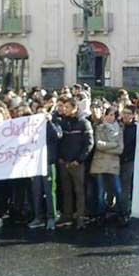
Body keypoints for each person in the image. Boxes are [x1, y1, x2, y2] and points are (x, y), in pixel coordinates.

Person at [57, 97, 94, 229]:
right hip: (64, 163)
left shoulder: (84, 123)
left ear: (74, 108)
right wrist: (60, 157)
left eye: (67, 107)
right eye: (63, 107)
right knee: (66, 190)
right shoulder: (62, 123)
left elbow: (89, 144)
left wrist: (79, 160)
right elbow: (58, 142)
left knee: (79, 191)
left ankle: (80, 217)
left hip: (77, 164)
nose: (64, 109)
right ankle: (67, 215)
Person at [90, 107, 124, 222]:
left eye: (112, 115)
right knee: (101, 192)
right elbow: (98, 145)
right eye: (108, 114)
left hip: (113, 164)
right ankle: (101, 214)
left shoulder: (119, 129)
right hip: (99, 163)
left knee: (118, 190)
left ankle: (121, 213)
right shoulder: (99, 128)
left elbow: (120, 149)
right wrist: (113, 144)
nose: (110, 117)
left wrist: (107, 146)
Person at [118, 106, 138, 226]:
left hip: (129, 161)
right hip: (116, 160)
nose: (125, 115)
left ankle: (124, 212)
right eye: (124, 113)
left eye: (128, 113)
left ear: (133, 115)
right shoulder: (118, 125)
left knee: (125, 188)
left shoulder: (137, 128)